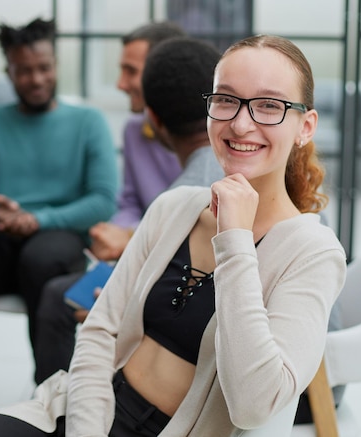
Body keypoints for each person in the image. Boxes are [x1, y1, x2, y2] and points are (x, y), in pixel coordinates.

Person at [0, 34, 347, 437]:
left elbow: (253, 403)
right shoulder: (175, 207)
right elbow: (99, 333)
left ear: (305, 126)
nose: (239, 123)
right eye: (225, 100)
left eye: (269, 105)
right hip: (81, 412)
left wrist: (235, 239)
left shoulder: (312, 252)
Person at [0, 17, 118, 420]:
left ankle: (48, 396)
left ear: (55, 66)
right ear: (10, 72)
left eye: (43, 68)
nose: (36, 78)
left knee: (43, 256)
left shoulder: (87, 123)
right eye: (24, 70)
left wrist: (39, 219)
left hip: (55, 242)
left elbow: (103, 200)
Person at [34, 21, 222, 384]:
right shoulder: (227, 162)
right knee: (61, 295)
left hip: (254, 372)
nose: (121, 83)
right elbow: (131, 201)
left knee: (72, 300)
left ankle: (77, 403)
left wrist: (127, 296)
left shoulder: (195, 191)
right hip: (277, 353)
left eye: (131, 71)